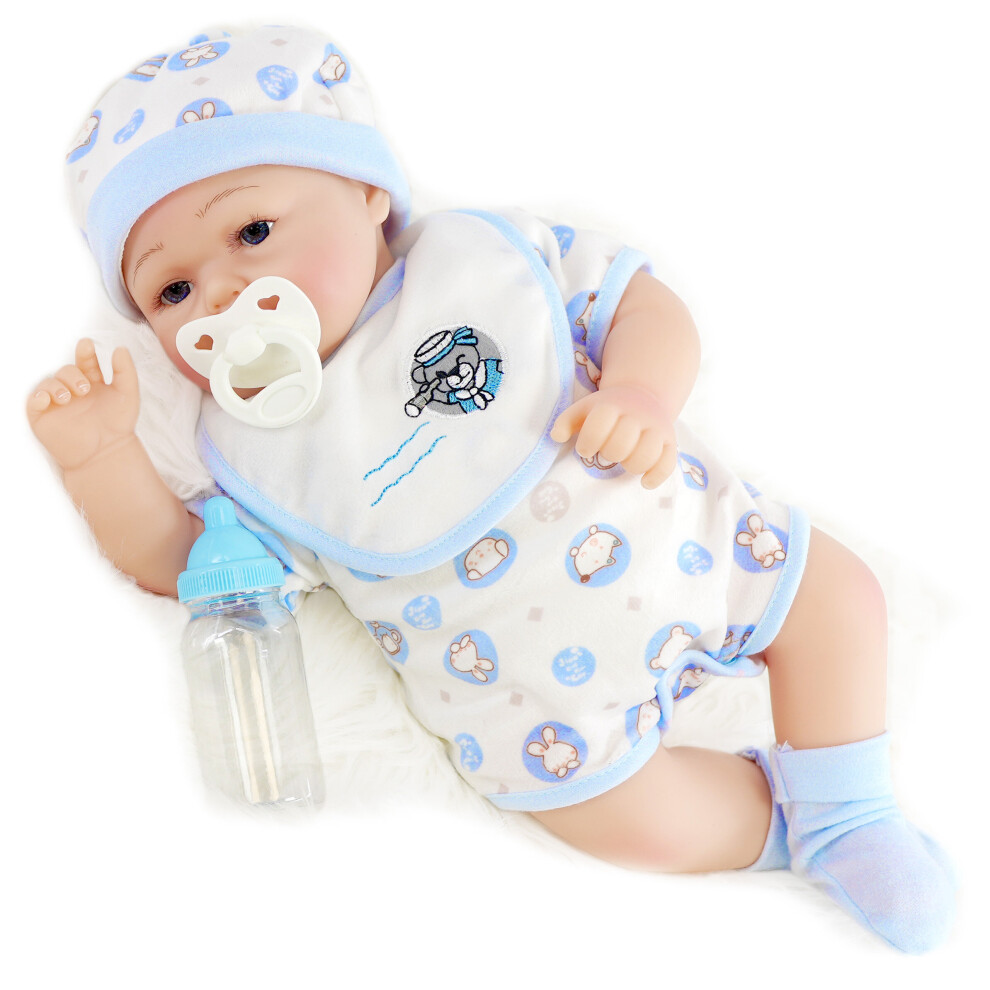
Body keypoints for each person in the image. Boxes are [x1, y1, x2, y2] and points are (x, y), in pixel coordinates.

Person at [27, 24, 955, 952]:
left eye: (253, 232)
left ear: (366, 191)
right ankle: (793, 834)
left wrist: (642, 391)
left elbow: (637, 301)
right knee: (638, 827)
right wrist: (101, 457)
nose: (223, 295)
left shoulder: (481, 264)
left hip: (691, 543)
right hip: (534, 704)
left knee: (838, 600)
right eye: (172, 292)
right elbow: (189, 564)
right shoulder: (252, 451)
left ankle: (851, 808)